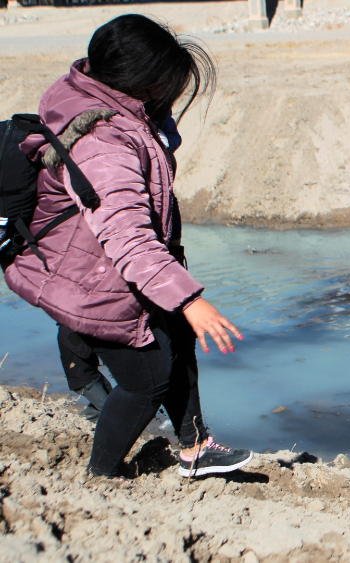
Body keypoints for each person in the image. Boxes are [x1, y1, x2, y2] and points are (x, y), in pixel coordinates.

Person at [5, 15, 252, 478]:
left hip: (105, 265)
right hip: (92, 279)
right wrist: (191, 300)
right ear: (139, 82)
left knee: (177, 338)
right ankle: (102, 475)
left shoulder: (112, 105)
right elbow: (127, 236)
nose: (172, 96)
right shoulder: (104, 142)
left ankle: (194, 448)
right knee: (149, 378)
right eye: (166, 86)